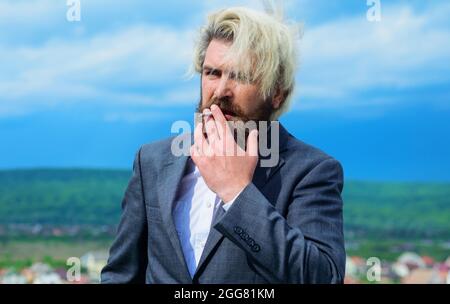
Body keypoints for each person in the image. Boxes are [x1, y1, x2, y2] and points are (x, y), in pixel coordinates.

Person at [101, 6, 345, 284]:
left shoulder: (313, 171)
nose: (220, 92)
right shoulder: (152, 160)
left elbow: (323, 278)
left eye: (241, 76)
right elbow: (121, 274)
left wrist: (237, 192)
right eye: (212, 73)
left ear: (276, 93)